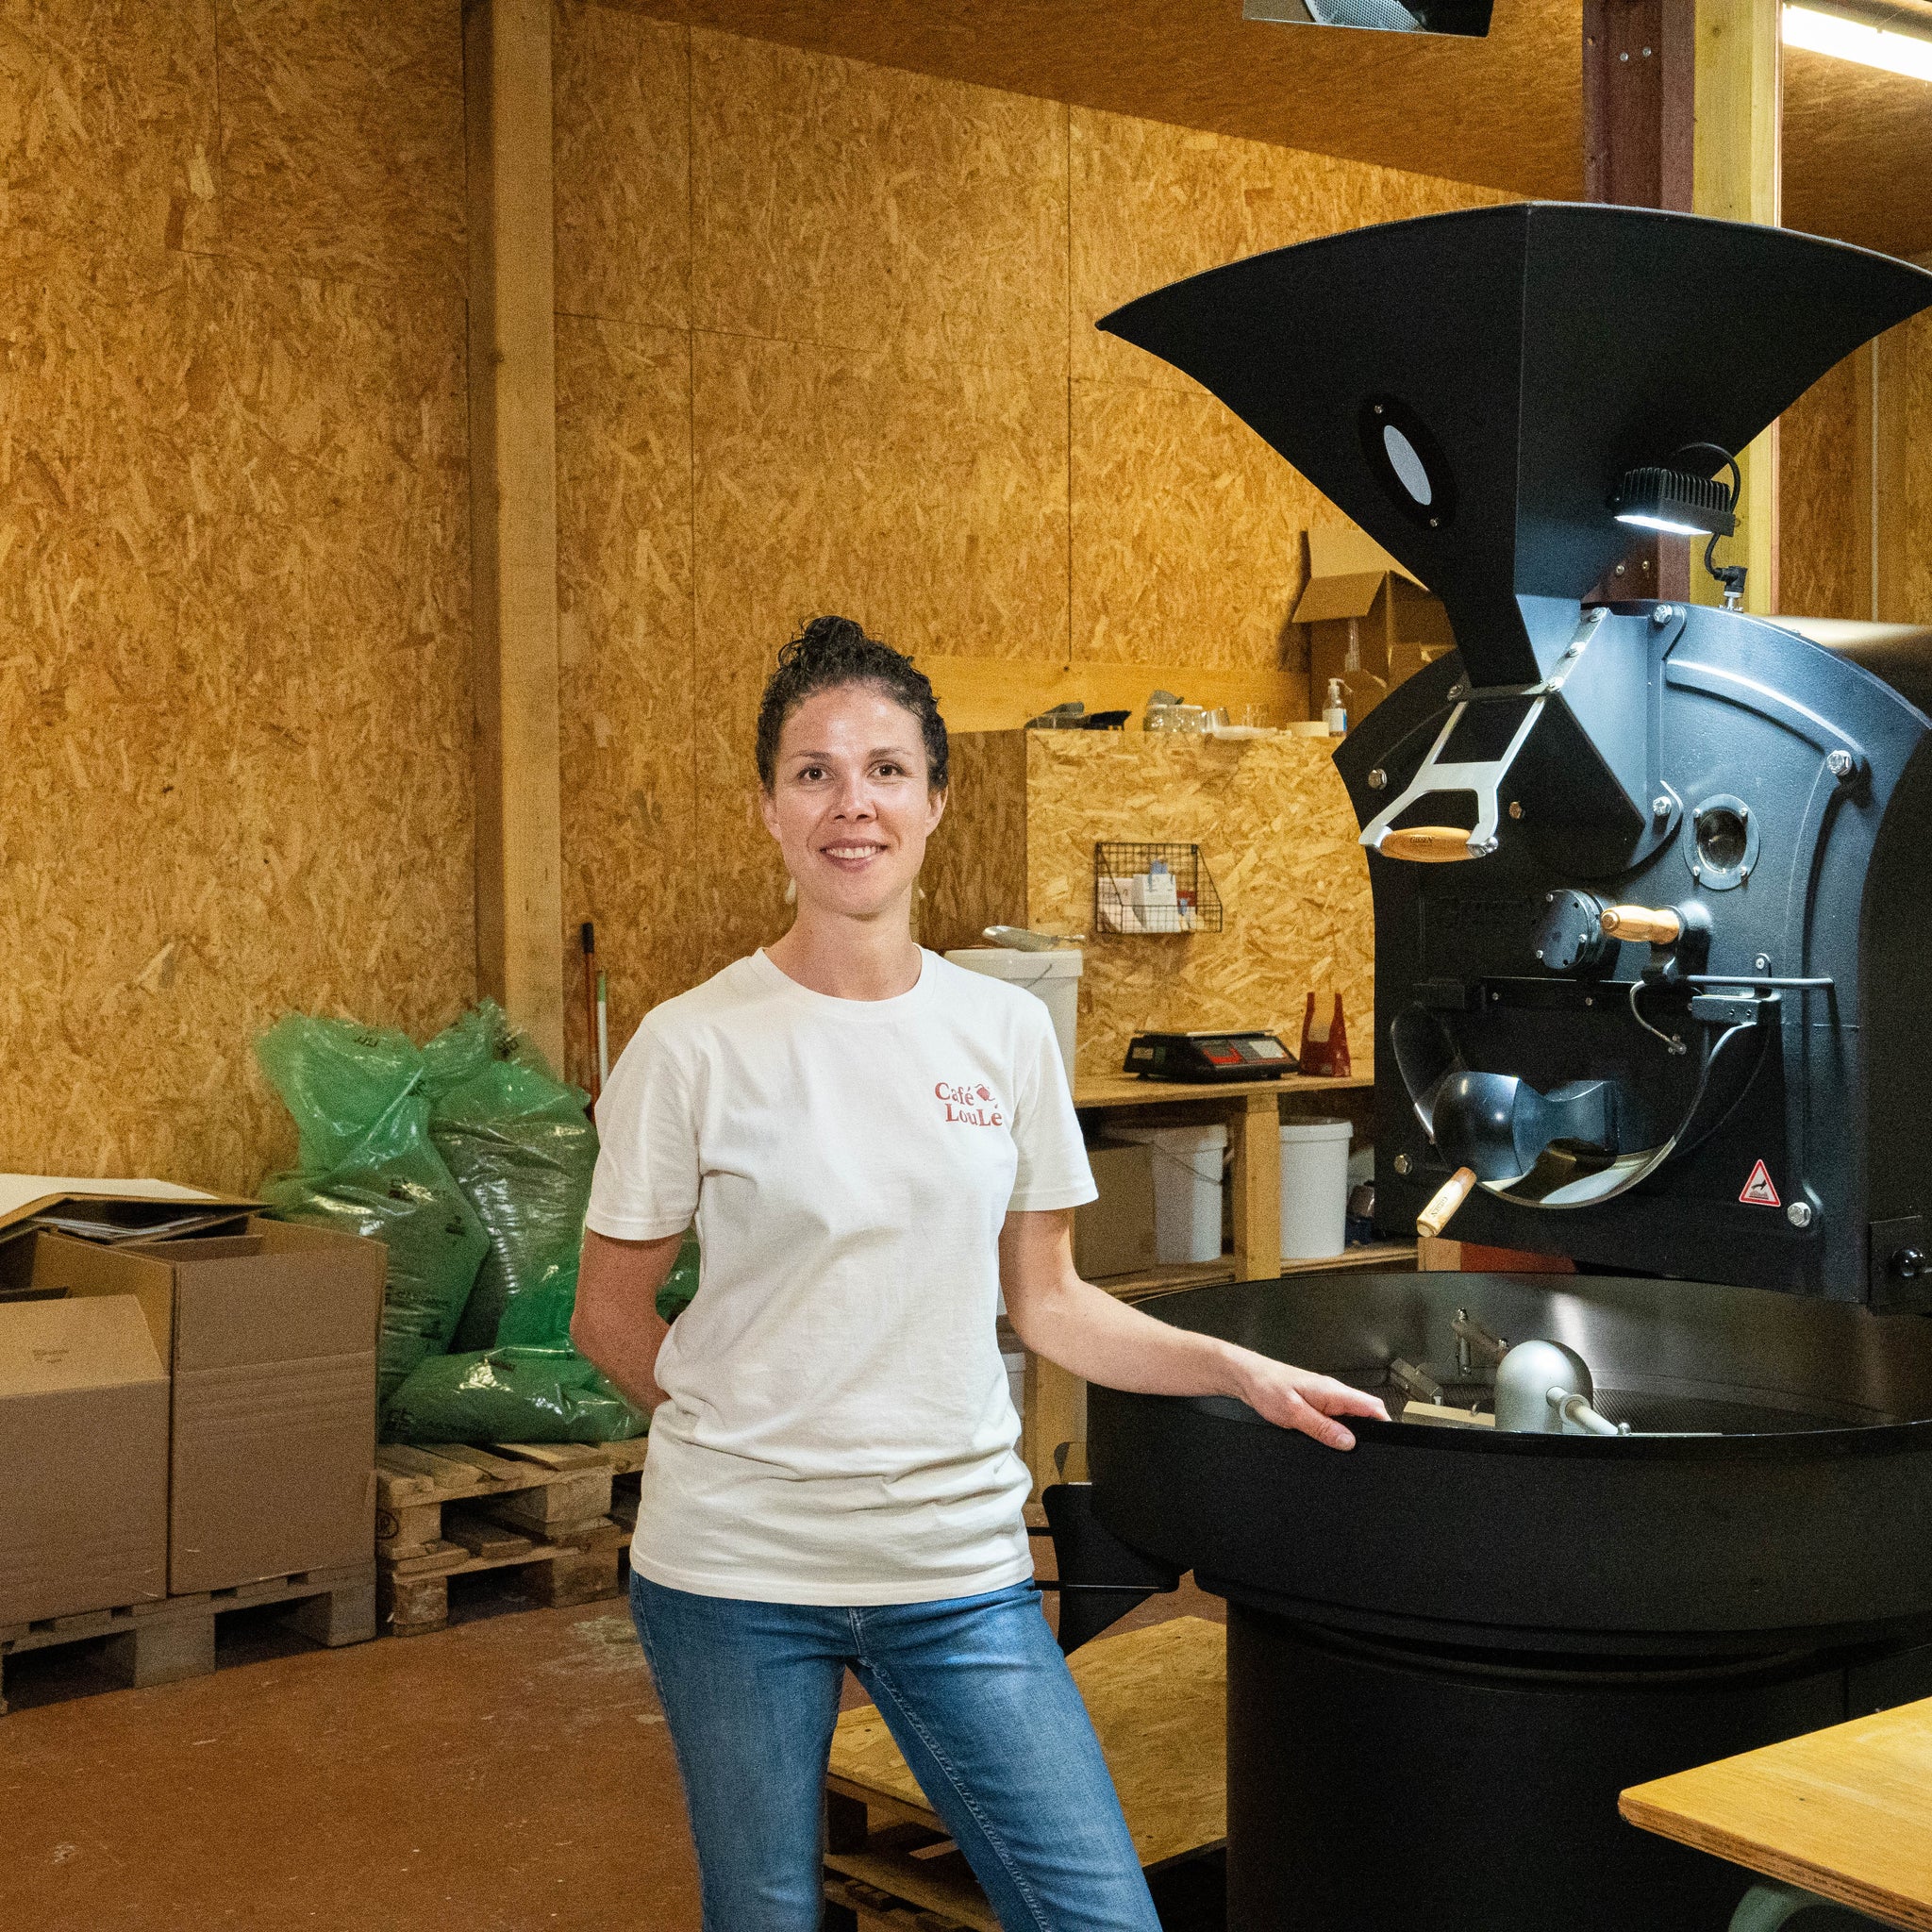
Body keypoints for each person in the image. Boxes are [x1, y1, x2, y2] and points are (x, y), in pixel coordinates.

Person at [573, 614, 1387, 1932]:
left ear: (936, 801)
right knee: (764, 1910)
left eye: (887, 770)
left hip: (952, 1567)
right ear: (768, 808)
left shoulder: (1002, 1032)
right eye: (815, 772)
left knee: (1096, 1913)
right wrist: (756, 1434)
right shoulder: (690, 1045)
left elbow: (1048, 1302)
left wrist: (1232, 1367)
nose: (853, 804)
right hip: (733, 1571)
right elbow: (609, 1316)